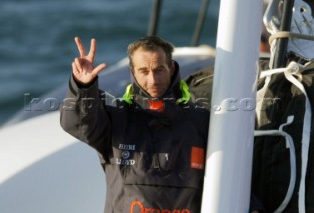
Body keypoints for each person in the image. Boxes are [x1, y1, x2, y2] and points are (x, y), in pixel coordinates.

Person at [60, 35, 264, 212]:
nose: (153, 79)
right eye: (144, 71)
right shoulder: (116, 118)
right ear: (133, 72)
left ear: (171, 68)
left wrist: (253, 207)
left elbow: (230, 172)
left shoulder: (201, 120)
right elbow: (76, 123)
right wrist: (83, 86)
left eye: (159, 70)